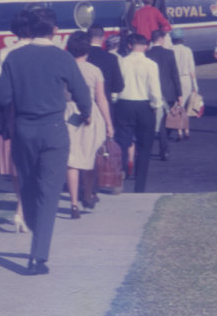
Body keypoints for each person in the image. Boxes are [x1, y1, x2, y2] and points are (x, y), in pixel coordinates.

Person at [0, 8, 91, 275]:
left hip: (23, 130)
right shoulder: (63, 58)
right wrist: (86, 114)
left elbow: (1, 97)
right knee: (48, 193)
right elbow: (82, 95)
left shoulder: (14, 57)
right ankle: (38, 256)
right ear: (55, 30)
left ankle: (36, 229)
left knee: (27, 185)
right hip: (54, 130)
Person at [0, 10, 33, 232]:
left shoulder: (5, 52)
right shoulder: (42, 51)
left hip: (11, 116)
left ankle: (21, 210)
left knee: (15, 168)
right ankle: (25, 210)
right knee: (33, 165)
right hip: (36, 113)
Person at [64, 31, 115, 216]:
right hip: (91, 114)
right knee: (90, 157)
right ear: (87, 50)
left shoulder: (64, 68)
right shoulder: (94, 70)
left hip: (68, 112)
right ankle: (87, 194)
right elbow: (101, 99)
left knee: (72, 161)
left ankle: (73, 203)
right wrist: (109, 124)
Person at [116, 33, 163, 193]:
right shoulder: (151, 64)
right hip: (144, 106)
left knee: (122, 144)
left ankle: (119, 177)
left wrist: (116, 100)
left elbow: (117, 87)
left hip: (124, 104)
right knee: (144, 147)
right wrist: (155, 105)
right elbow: (155, 90)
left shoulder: (122, 62)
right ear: (146, 46)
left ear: (129, 46)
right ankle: (140, 186)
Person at [145, 29, 181, 161]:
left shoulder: (147, 54)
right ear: (160, 38)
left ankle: (162, 148)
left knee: (158, 122)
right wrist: (179, 94)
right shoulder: (169, 54)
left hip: (152, 93)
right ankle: (164, 148)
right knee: (165, 123)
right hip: (169, 93)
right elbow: (175, 75)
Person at [171, 28, 197, 140]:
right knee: (186, 107)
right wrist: (195, 85)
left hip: (175, 80)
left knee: (177, 106)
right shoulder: (188, 50)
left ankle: (179, 131)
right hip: (186, 79)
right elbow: (192, 70)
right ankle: (186, 129)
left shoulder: (170, 50)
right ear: (182, 39)